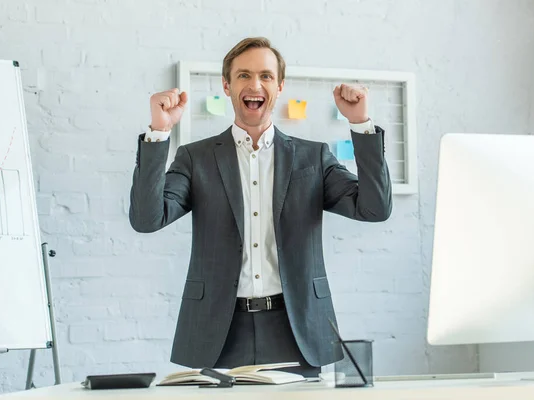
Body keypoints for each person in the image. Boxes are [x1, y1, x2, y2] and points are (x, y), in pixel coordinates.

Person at [129, 37, 392, 377]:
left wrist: (360, 124)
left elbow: (375, 208)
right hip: (219, 331)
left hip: (296, 329)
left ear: (279, 86)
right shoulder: (196, 159)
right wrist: (159, 132)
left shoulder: (313, 157)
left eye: (266, 76)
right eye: (243, 75)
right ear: (227, 85)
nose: (255, 85)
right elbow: (147, 219)